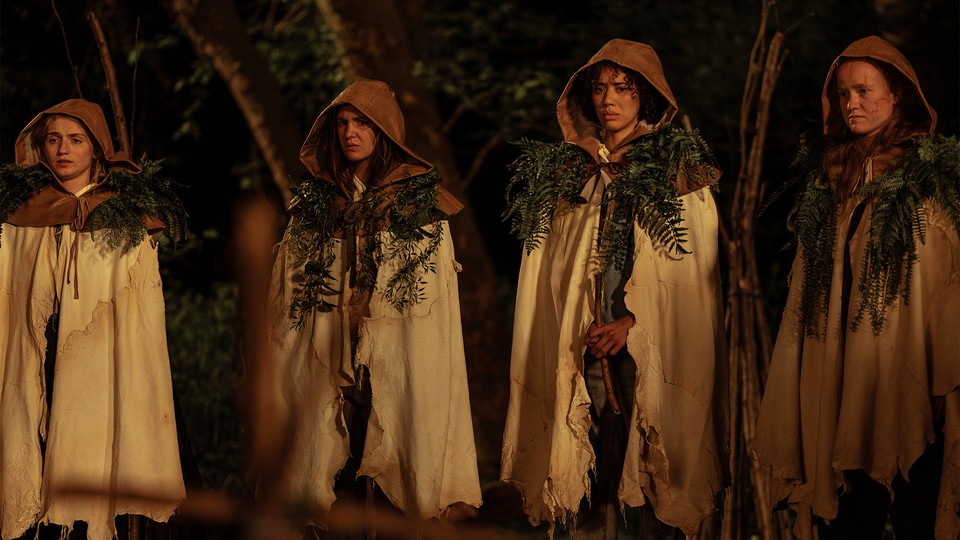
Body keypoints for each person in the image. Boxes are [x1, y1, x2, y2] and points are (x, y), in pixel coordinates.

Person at [500, 39, 729, 538]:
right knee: (585, 465)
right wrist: (573, 320)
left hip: (647, 348)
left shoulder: (676, 170)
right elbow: (553, 268)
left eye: (623, 89)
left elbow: (688, 278)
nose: (610, 100)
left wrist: (633, 324)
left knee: (649, 464)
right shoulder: (572, 170)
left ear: (643, 97)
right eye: (600, 88)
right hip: (583, 346)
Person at [753, 36, 959, 539]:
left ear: (899, 97)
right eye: (844, 93)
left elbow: (942, 277)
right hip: (839, 376)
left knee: (915, 506)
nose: (852, 104)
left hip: (904, 375)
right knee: (847, 515)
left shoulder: (926, 178)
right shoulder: (832, 182)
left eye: (865, 91)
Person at [268, 79, 482, 527]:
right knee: (332, 467)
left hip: (396, 357)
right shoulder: (317, 205)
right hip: (330, 357)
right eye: (343, 123)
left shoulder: (418, 206)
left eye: (363, 123)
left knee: (395, 463)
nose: (351, 132)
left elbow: (429, 304)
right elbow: (290, 292)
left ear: (383, 131)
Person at [0, 99, 187, 539]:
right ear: (41, 149)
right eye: (54, 139)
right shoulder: (22, 217)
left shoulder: (123, 216)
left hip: (102, 364)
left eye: (76, 140)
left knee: (101, 451)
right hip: (38, 358)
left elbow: (140, 311)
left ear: (96, 149)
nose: (64, 149)